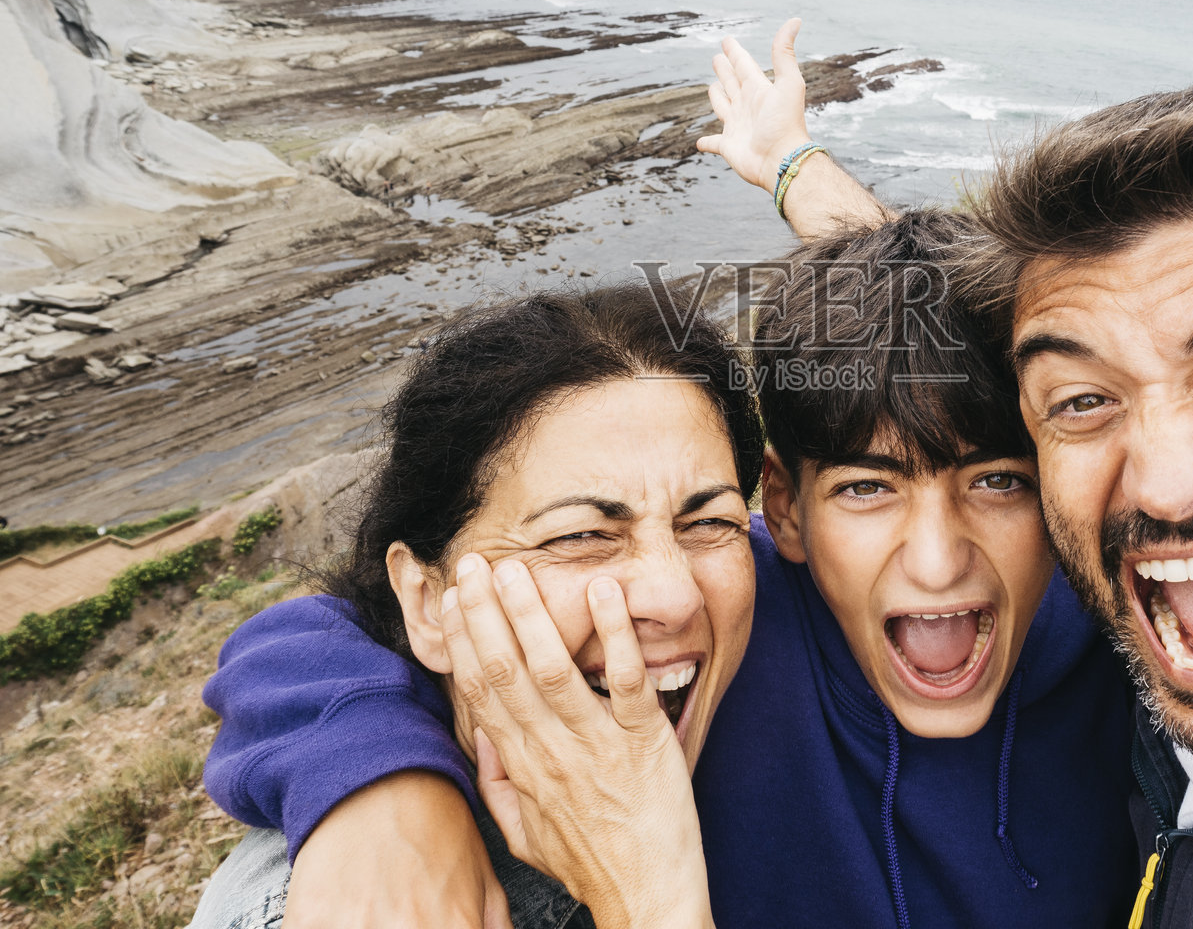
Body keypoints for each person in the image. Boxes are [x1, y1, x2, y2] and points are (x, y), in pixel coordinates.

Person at [448, 49, 1193, 927]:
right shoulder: (728, 611)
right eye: (1084, 404)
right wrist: (380, 809)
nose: (1159, 480)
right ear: (782, 508)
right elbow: (341, 637)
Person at [195, 199, 1136, 920]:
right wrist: (381, 786)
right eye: (864, 487)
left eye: (1000, 482)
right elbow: (312, 638)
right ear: (789, 508)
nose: (668, 591)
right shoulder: (761, 607)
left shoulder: (1126, 639)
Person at [189, 284, 765, 929]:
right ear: (428, 602)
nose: (676, 596)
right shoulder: (354, 904)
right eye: (578, 536)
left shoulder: (781, 600)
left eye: (709, 522)